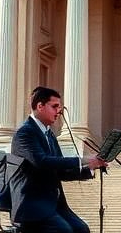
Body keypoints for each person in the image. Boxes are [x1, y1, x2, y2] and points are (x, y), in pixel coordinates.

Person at [8, 86, 108, 232]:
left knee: (82, 229)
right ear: (40, 106)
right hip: (32, 207)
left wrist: (91, 167)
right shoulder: (24, 133)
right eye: (54, 106)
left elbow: (61, 172)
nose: (59, 111)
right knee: (64, 231)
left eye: (59, 107)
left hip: (54, 205)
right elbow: (42, 162)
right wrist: (83, 159)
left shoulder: (49, 135)